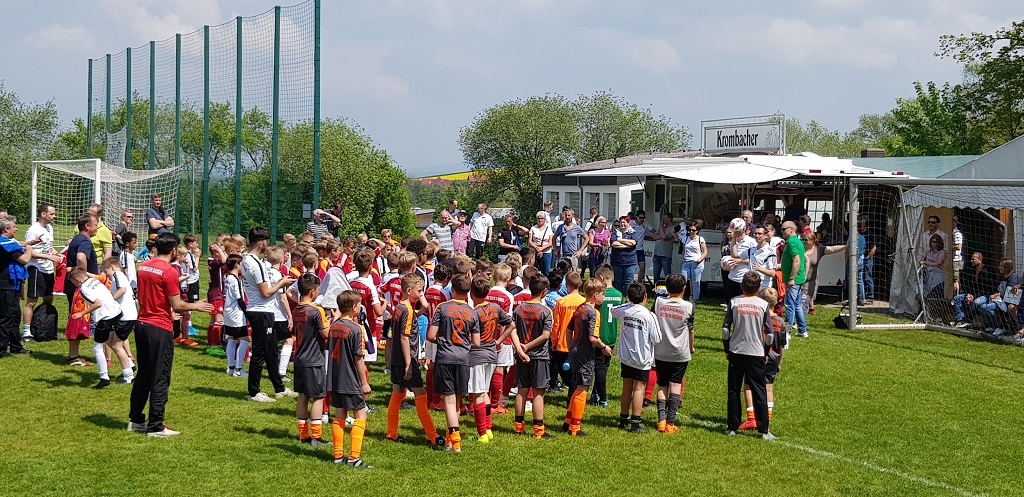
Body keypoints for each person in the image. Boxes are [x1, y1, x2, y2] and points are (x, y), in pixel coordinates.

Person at [128, 233, 213, 437]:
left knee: (144, 374)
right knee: (160, 376)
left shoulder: (144, 266)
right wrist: (196, 306)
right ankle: (156, 425)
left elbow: (150, 295)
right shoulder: (169, 271)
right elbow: (178, 304)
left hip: (142, 323)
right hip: (159, 327)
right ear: (174, 250)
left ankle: (136, 420)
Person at [385, 274, 445, 448]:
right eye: (419, 291)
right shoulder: (408, 311)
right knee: (421, 394)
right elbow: (404, 338)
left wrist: (423, 302)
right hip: (407, 359)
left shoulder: (400, 307)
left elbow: (418, 313)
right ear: (409, 290)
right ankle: (432, 435)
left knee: (397, 392)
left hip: (396, 359)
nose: (421, 294)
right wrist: (409, 364)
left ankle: (391, 433)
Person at [241, 227, 297, 403]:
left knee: (272, 351)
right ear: (260, 243)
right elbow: (266, 293)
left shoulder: (247, 259)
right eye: (266, 241)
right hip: (261, 312)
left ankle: (279, 388)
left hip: (263, 311)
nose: (268, 245)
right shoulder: (255, 264)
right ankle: (254, 392)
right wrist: (282, 283)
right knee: (259, 352)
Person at [426, 273, 480, 453]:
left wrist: (444, 340)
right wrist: (463, 343)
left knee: (448, 402)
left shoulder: (442, 308)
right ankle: (449, 441)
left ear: (452, 290)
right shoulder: (472, 312)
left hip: (445, 358)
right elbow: (476, 342)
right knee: (457, 402)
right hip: (463, 359)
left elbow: (431, 335)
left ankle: (455, 441)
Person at [722, 272, 774, 441]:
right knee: (759, 390)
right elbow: (770, 334)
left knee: (734, 389)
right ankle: (764, 430)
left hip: (736, 350)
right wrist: (765, 352)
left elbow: (725, 330)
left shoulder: (734, 302)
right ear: (758, 289)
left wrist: (726, 349)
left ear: (741, 286)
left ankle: (732, 427)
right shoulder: (763, 305)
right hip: (756, 352)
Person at [327, 290, 373, 468]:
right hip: (350, 378)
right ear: (354, 307)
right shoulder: (356, 329)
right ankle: (354, 458)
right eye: (359, 304)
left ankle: (338, 456)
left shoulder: (334, 326)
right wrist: (364, 383)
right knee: (360, 415)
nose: (361, 307)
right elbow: (359, 359)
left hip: (335, 377)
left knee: (340, 415)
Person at [560, 278, 609, 437]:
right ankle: (575, 427)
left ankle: (568, 421)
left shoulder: (580, 308)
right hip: (585, 354)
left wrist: (570, 347)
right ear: (595, 295)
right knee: (583, 388)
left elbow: (569, 330)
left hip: (575, 350)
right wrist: (604, 347)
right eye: (602, 294)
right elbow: (593, 338)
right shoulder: (594, 313)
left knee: (577, 386)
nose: (604, 297)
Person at [469, 276, 514, 442]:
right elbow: (511, 325)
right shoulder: (495, 307)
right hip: (492, 355)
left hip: (477, 356)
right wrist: (498, 341)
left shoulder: (473, 313)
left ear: (471, 293)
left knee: (477, 394)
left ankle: (481, 434)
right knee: (484, 392)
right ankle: (488, 429)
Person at [611, 283, 660, 434]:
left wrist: (628, 304)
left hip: (626, 356)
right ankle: (635, 423)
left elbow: (613, 310)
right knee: (639, 388)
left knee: (627, 387)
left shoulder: (625, 310)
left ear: (628, 297)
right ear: (645, 296)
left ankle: (623, 418)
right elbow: (657, 338)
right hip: (641, 358)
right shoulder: (649, 316)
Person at [510, 274, 554, 439]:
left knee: (521, 390)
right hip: (539, 356)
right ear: (544, 292)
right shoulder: (546, 311)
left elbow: (512, 330)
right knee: (538, 392)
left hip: (522, 355)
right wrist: (528, 346)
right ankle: (538, 429)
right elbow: (545, 335)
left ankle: (519, 427)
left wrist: (520, 349)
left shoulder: (519, 309)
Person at [290, 273, 330, 446]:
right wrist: (333, 321)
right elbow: (326, 334)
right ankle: (316, 437)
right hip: (314, 359)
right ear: (313, 291)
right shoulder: (317, 311)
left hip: (299, 358)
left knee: (303, 395)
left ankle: (303, 435)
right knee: (318, 397)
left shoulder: (296, 309)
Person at [68, 265, 124, 389]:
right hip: (116, 312)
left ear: (77, 280)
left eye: (73, 283)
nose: (75, 286)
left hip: (105, 318)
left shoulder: (84, 289)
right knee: (116, 343)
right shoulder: (94, 280)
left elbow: (97, 304)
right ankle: (129, 370)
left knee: (97, 348)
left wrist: (81, 313)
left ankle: (104, 377)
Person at [739, 287, 787, 431]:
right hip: (773, 358)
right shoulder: (780, 322)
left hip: (757, 355)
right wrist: (779, 362)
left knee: (748, 386)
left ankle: (752, 419)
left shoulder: (758, 319)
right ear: (776, 301)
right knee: (768, 388)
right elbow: (782, 346)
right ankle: (767, 418)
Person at [652, 274, 694, 434]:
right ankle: (670, 423)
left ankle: (661, 421)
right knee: (675, 385)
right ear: (684, 288)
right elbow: (691, 330)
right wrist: (692, 347)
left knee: (662, 385)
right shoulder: (689, 307)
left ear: (667, 288)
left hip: (661, 351)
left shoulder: (658, 302)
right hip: (680, 352)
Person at [22, 203, 61, 342]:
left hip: (48, 269)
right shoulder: (33, 230)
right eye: (52, 214)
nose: (54, 216)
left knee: (48, 299)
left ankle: (44, 327)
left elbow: (49, 247)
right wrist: (48, 257)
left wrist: (58, 254)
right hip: (36, 268)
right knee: (32, 301)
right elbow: (28, 251)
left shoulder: (49, 228)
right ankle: (26, 332)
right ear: (43, 214)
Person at [65, 213, 99, 366]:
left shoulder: (77, 239)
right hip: (79, 287)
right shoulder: (84, 241)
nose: (97, 227)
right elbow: (80, 257)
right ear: (87, 226)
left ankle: (74, 355)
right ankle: (74, 357)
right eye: (95, 224)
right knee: (78, 318)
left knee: (77, 317)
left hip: (74, 284)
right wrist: (84, 279)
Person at [0, 216, 36, 357]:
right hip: (5, 285)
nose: (16, 229)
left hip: (12, 284)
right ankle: (1, 349)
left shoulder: (8, 242)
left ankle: (16, 346)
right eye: (14, 227)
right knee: (6, 317)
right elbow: (25, 259)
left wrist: (27, 244)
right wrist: (29, 249)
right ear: (6, 229)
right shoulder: (5, 245)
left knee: (15, 315)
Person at [485, 263, 516, 413]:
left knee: (486, 369)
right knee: (499, 368)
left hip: (485, 333)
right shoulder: (508, 296)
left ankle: (484, 399)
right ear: (509, 278)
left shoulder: (487, 292)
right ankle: (494, 404)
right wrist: (501, 340)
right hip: (500, 337)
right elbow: (506, 320)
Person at [591, 265, 621, 408]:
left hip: (599, 335)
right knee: (605, 366)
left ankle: (602, 398)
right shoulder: (619, 295)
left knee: (599, 366)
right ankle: (595, 392)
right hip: (612, 334)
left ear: (601, 278)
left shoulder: (598, 296)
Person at [550, 272, 584, 395]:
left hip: (563, 342)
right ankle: (573, 391)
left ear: (567, 285)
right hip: (579, 342)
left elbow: (556, 324)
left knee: (562, 368)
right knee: (576, 369)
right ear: (580, 283)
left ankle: (570, 388)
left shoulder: (561, 302)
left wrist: (554, 342)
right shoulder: (584, 301)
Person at [802, 233, 846, 316]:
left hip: (811, 280)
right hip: (799, 279)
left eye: (806, 240)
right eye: (802, 239)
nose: (803, 241)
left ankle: (801, 318)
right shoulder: (800, 248)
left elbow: (832, 249)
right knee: (797, 302)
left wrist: (846, 246)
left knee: (804, 300)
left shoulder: (819, 249)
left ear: (813, 241)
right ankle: (798, 318)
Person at [222, 254, 251, 377]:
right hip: (236, 314)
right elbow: (240, 299)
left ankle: (231, 367)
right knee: (245, 339)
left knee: (232, 338)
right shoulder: (236, 281)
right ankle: (238, 370)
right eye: (241, 264)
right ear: (236, 265)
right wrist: (247, 313)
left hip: (228, 313)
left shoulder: (227, 278)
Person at [952, 252, 996, 328]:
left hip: (985, 295)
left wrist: (974, 297)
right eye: (971, 259)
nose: (971, 261)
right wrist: (968, 294)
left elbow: (987, 288)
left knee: (976, 302)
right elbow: (969, 284)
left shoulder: (987, 271)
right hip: (972, 294)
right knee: (957, 298)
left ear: (980, 260)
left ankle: (967, 321)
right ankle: (960, 319)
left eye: (973, 259)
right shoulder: (972, 270)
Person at [780, 221, 808, 338]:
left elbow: (796, 260)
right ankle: (802, 330)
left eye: (784, 229)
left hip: (793, 280)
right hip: (798, 278)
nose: (782, 231)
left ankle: (787, 332)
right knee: (797, 305)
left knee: (789, 305)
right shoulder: (796, 241)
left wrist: (792, 278)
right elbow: (804, 259)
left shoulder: (792, 242)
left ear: (791, 229)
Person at [723, 218, 756, 300]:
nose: (735, 232)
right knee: (731, 302)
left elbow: (755, 260)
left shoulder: (751, 242)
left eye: (737, 230)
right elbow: (733, 256)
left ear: (744, 229)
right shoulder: (733, 241)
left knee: (743, 302)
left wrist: (740, 261)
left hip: (744, 277)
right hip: (732, 276)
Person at [610, 216, 641, 294]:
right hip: (617, 262)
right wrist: (627, 245)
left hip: (630, 262)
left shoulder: (633, 232)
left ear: (628, 223)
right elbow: (614, 243)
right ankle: (618, 297)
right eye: (621, 222)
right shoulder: (615, 232)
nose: (622, 224)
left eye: (624, 222)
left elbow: (634, 242)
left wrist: (620, 240)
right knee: (617, 281)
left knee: (628, 281)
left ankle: (628, 297)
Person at [920, 234, 947, 299]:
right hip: (927, 273)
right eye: (931, 241)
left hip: (937, 274)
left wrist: (925, 262)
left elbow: (938, 263)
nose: (932, 243)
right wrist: (923, 264)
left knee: (935, 292)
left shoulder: (941, 252)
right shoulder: (928, 251)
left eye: (934, 242)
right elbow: (922, 260)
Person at [650, 213, 676, 283]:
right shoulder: (662, 229)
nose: (662, 220)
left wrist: (661, 228)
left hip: (665, 255)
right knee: (656, 273)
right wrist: (661, 235)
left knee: (667, 273)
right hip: (657, 254)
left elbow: (664, 237)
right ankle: (656, 287)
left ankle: (668, 287)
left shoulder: (672, 229)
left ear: (669, 219)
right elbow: (654, 237)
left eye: (664, 218)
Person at [631, 210, 655, 284]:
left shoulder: (646, 223)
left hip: (640, 249)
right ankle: (629, 283)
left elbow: (654, 231)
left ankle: (639, 284)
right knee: (630, 268)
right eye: (640, 218)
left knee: (642, 267)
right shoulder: (630, 223)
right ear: (636, 217)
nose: (642, 219)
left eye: (643, 218)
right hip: (631, 248)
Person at [529, 211, 554, 276]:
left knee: (546, 271)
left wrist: (542, 248)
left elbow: (550, 242)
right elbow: (530, 241)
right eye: (539, 218)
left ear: (544, 219)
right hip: (535, 252)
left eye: (542, 218)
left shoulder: (548, 229)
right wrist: (536, 248)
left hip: (546, 252)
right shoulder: (533, 228)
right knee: (534, 270)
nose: (540, 220)